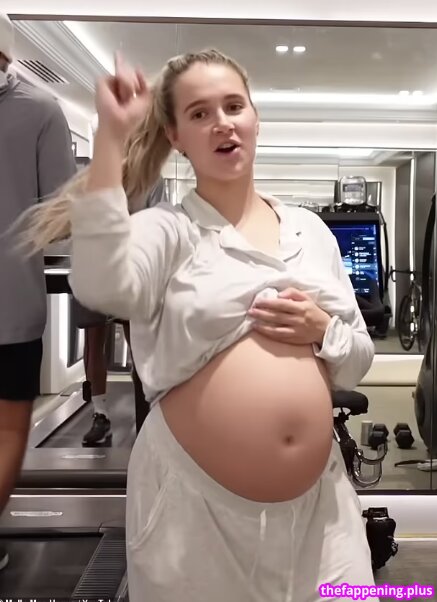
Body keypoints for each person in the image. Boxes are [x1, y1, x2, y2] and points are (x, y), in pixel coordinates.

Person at [18, 49, 378, 601]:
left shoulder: (310, 232)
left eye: (234, 106)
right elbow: (102, 286)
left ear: (255, 118)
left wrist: (322, 330)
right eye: (200, 113)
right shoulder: (166, 229)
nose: (222, 123)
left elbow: (356, 360)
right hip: (194, 517)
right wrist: (111, 138)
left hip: (322, 517)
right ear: (176, 136)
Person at [0, 12, 76, 571]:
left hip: (13, 310)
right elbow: (61, 217)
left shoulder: (42, 108)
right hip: (11, 306)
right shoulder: (42, 109)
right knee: (6, 429)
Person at [78, 177, 168, 446]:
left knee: (138, 344)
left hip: (132, 271)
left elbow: (159, 226)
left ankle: (147, 409)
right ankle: (100, 414)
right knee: (94, 343)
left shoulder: (152, 179)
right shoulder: (94, 177)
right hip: (96, 266)